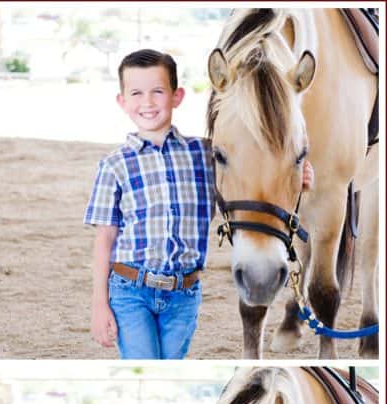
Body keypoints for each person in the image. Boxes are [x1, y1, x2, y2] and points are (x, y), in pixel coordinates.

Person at [84, 49, 313, 359]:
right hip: (130, 289)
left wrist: (296, 169)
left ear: (177, 96)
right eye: (136, 93)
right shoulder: (113, 165)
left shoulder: (205, 154)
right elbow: (104, 238)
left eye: (158, 91)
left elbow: (247, 164)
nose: (148, 102)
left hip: (183, 294)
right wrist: (100, 304)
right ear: (122, 101)